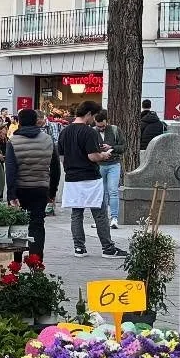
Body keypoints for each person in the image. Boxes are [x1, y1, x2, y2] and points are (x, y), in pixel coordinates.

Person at [57, 101, 126, 257]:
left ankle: (79, 248)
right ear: (88, 114)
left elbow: (62, 156)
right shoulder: (89, 132)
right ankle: (108, 248)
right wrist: (104, 155)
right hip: (90, 178)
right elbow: (93, 156)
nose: (94, 120)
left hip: (72, 178)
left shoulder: (64, 132)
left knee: (77, 214)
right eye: (94, 116)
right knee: (100, 214)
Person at [5, 108, 59, 261]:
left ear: (19, 122)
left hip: (20, 190)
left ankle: (15, 262)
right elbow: (55, 168)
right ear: (36, 121)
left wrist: (11, 195)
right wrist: (52, 192)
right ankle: (36, 261)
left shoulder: (13, 142)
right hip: (40, 189)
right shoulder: (48, 140)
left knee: (18, 226)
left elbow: (11, 171)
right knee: (37, 224)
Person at [94, 108, 125, 229]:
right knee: (101, 192)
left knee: (112, 190)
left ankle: (114, 218)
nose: (100, 128)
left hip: (113, 163)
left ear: (106, 122)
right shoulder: (93, 131)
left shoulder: (115, 130)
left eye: (102, 126)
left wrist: (111, 147)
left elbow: (123, 146)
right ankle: (102, 219)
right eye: (98, 127)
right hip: (99, 164)